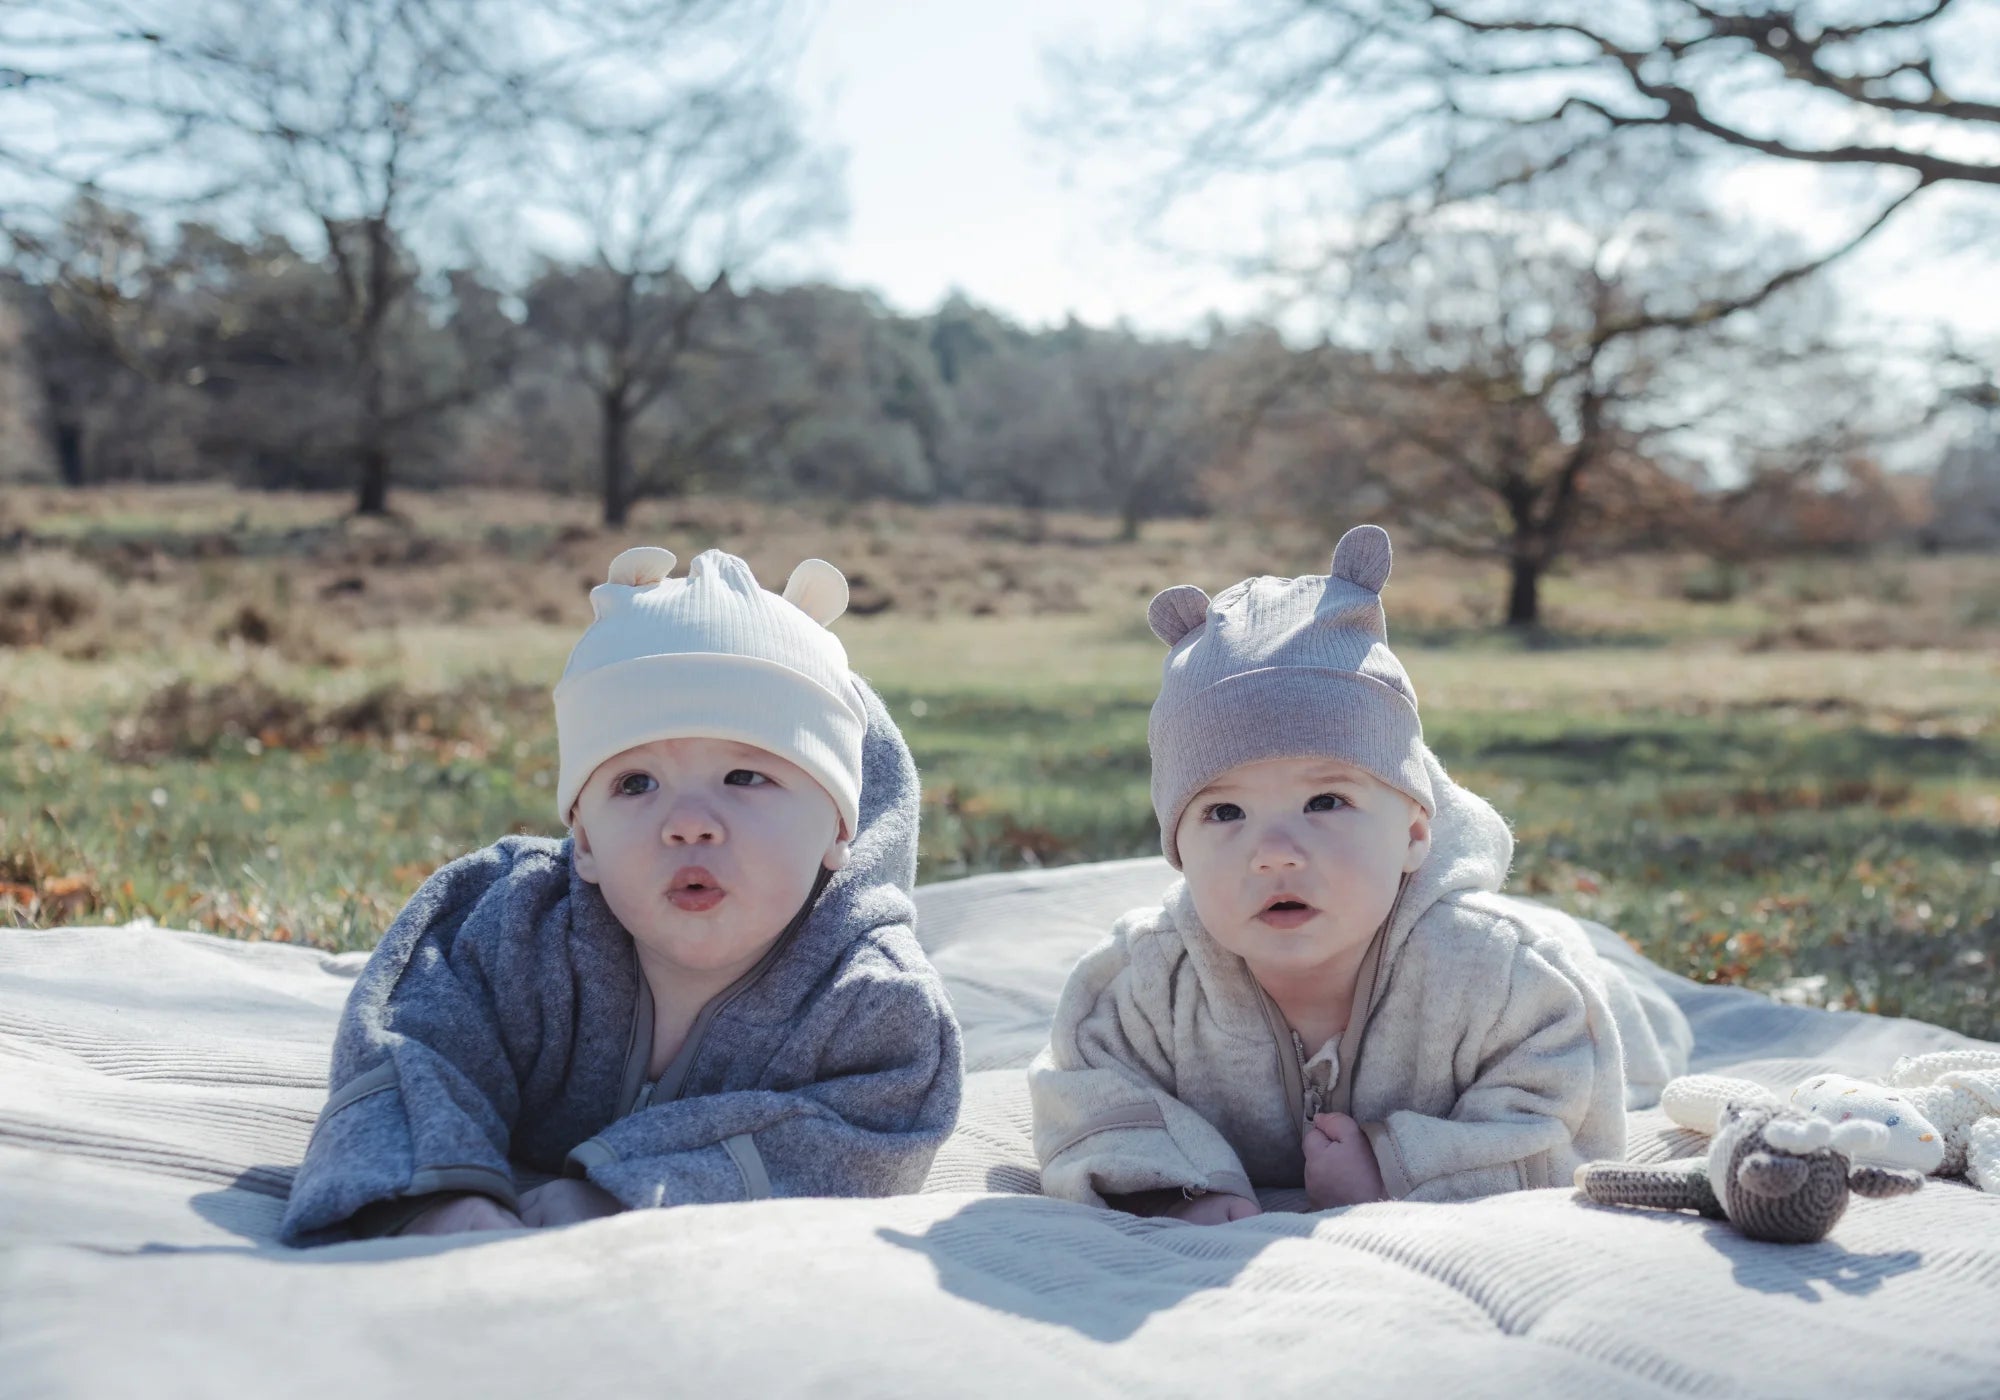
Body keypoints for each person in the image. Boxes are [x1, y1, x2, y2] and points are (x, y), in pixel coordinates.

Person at [281, 545, 962, 1244]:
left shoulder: (871, 1003)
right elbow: (408, 1048)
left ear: (839, 828)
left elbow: (873, 1141)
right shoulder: (512, 929)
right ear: (583, 840)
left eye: (745, 777)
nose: (688, 823)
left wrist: (635, 1191)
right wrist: (436, 1196)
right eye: (636, 783)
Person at [1029, 525, 1690, 1222]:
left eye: (1325, 802)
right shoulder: (1150, 982)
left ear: (1414, 834)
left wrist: (1398, 1167)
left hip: (1607, 998)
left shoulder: (1505, 978)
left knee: (1630, 1006)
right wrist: (1179, 1184)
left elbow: (1565, 1117)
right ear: (1178, 850)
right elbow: (1088, 1092)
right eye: (1224, 812)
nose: (1274, 852)